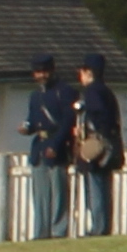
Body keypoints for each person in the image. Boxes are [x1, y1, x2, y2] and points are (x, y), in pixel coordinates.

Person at [23, 57, 79, 240]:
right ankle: (41, 232)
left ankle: (58, 231)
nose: (42, 75)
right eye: (38, 72)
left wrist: (56, 144)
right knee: (40, 195)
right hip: (39, 147)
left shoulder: (65, 92)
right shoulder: (35, 95)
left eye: (45, 71)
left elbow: (67, 122)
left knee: (58, 194)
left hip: (58, 146)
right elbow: (34, 120)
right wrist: (27, 127)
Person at [72, 57, 127, 237]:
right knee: (103, 187)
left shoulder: (92, 91)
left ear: (89, 72)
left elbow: (98, 116)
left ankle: (98, 227)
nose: (80, 75)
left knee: (95, 187)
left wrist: (86, 131)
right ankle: (103, 226)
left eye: (82, 71)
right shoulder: (106, 91)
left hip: (97, 145)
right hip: (109, 143)